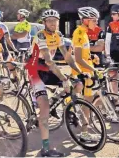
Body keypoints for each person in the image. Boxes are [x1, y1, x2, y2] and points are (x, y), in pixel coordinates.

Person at [25, 9, 85, 157]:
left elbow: (68, 57)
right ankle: (45, 149)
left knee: (77, 85)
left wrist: (81, 72)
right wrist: (64, 78)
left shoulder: (58, 35)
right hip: (35, 70)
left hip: (48, 69)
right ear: (44, 23)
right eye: (49, 21)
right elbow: (48, 60)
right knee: (44, 111)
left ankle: (55, 102)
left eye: (55, 20)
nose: (53, 23)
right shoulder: (40, 36)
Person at [71, 7, 102, 141]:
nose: (96, 23)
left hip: (87, 71)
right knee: (87, 103)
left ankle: (82, 123)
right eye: (94, 20)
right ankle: (84, 133)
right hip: (82, 73)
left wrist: (92, 56)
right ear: (86, 20)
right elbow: (78, 59)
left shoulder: (84, 32)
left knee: (88, 102)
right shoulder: (78, 33)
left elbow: (84, 53)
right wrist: (94, 70)